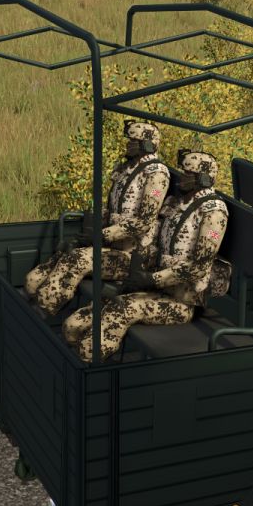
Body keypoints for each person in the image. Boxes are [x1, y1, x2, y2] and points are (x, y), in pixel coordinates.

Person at [62, 149, 232, 362]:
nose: (182, 176)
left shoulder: (214, 213)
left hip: (182, 301)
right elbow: (154, 241)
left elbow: (198, 267)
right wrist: (138, 270)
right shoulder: (176, 203)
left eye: (189, 174)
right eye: (183, 171)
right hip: (152, 287)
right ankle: (74, 356)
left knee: (120, 310)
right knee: (74, 323)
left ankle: (89, 364)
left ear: (204, 179)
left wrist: (153, 279)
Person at [25, 120, 169, 313]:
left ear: (147, 144)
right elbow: (110, 207)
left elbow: (143, 223)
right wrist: (90, 232)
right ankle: (30, 298)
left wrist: (101, 236)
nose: (128, 144)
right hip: (109, 244)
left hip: (134, 256)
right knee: (55, 260)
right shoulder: (126, 168)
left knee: (76, 259)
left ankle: (43, 309)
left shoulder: (157, 175)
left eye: (133, 141)